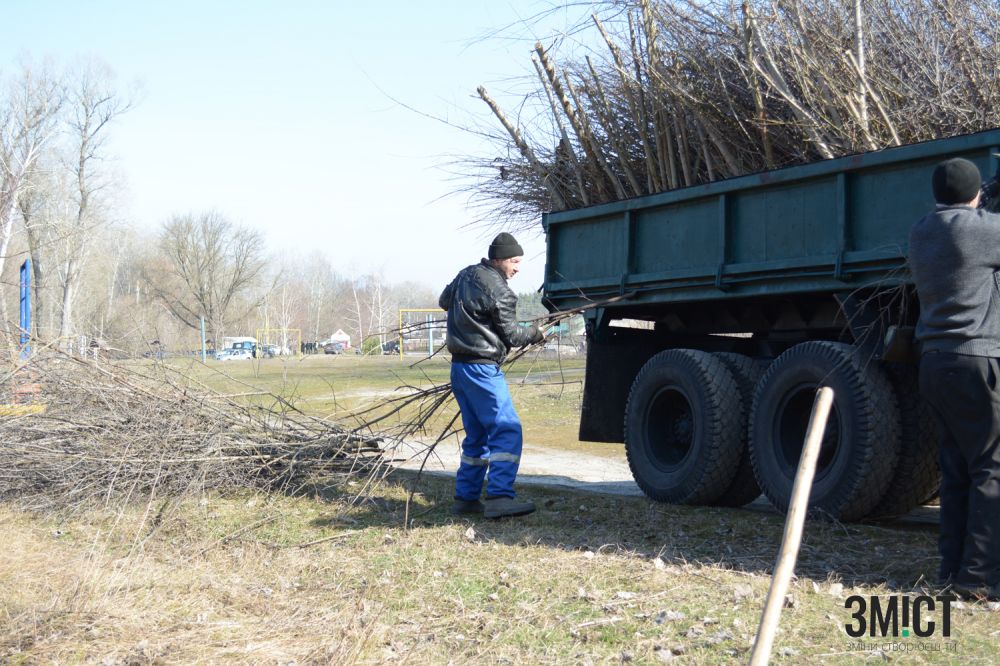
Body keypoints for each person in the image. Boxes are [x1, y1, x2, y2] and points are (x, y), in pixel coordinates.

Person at [909, 157, 1000, 601]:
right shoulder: (982, 230)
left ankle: (950, 571)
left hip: (934, 361)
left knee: (957, 469)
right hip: (975, 360)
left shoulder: (922, 230)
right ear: (976, 194)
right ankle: (977, 580)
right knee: (991, 468)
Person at [439, 232, 545, 518]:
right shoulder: (500, 290)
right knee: (507, 428)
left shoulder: (466, 274)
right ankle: (499, 497)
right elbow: (512, 334)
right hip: (483, 370)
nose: (517, 267)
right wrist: (535, 333)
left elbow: (443, 300)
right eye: (514, 261)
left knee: (477, 435)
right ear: (498, 259)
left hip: (459, 368)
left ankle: (466, 498)